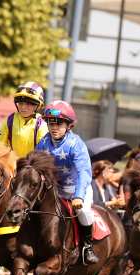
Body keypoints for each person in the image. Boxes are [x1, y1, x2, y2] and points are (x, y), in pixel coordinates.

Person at [35, 100, 98, 264]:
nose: (54, 127)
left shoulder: (76, 144)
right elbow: (35, 165)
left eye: (59, 123)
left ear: (69, 125)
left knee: (83, 212)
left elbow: (84, 172)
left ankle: (87, 247)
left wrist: (78, 196)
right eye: (50, 122)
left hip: (78, 189)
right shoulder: (43, 142)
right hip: (55, 190)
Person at [0, 81, 48, 158]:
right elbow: (0, 147)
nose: (23, 107)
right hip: (11, 166)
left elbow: (42, 154)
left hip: (32, 166)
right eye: (20, 103)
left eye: (28, 104)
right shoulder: (9, 120)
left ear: (38, 105)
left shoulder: (42, 124)